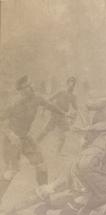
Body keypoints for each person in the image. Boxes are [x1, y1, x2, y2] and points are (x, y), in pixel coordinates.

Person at [0, 76, 71, 204]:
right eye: (27, 88)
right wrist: (10, 134)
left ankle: (45, 199)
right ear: (21, 91)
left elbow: (51, 106)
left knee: (41, 166)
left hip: (25, 138)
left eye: (31, 86)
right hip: (12, 140)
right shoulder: (14, 103)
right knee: (11, 171)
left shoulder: (37, 98)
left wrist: (65, 113)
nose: (31, 89)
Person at [36, 76, 78, 155]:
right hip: (55, 115)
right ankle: (34, 146)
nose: (71, 85)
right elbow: (49, 99)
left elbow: (75, 107)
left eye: (73, 83)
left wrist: (75, 115)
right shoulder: (61, 91)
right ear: (67, 83)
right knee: (45, 131)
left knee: (63, 136)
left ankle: (58, 152)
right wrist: (43, 110)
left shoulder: (73, 96)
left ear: (74, 85)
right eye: (70, 82)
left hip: (63, 117)